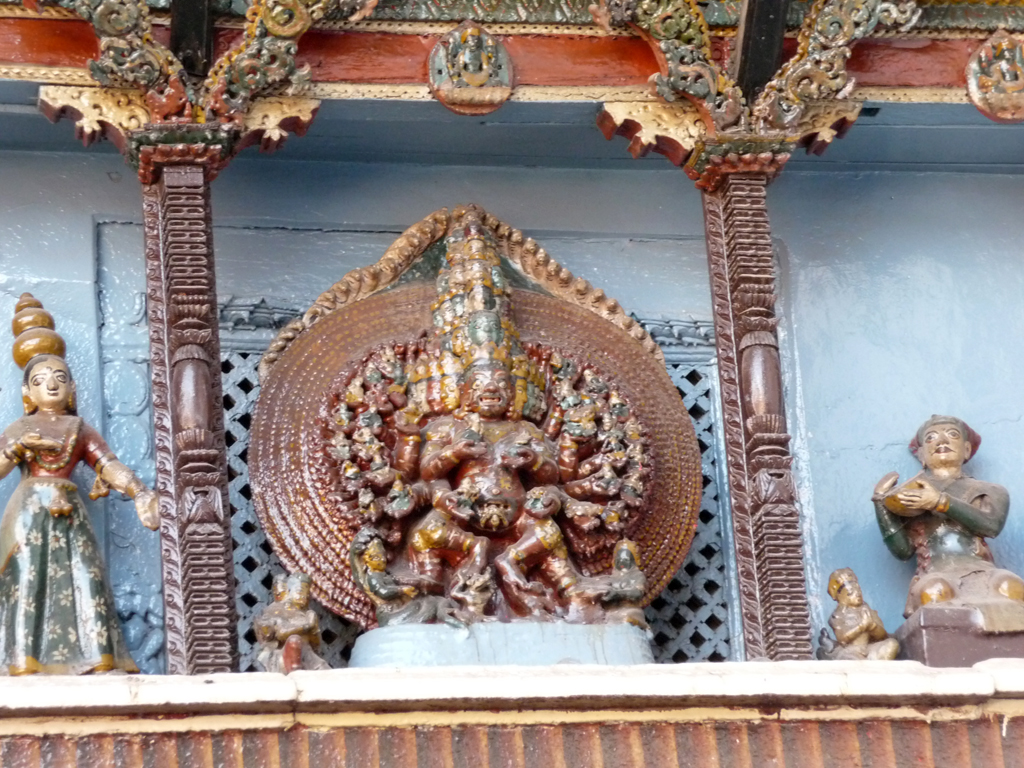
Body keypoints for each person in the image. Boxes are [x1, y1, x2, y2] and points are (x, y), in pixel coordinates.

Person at [0, 294, 158, 675]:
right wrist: (20, 446)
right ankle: (22, 661)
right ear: (27, 394)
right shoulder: (21, 428)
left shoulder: (79, 429)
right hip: (29, 508)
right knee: (28, 576)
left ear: (71, 388)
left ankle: (97, 658)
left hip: (70, 510)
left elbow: (108, 465)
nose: (50, 386)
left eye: (59, 378)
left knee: (84, 574)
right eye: (39, 381)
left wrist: (139, 491)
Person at [873, 415, 1024, 618]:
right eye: (931, 438)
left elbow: (991, 526)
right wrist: (880, 503)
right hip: (935, 572)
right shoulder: (909, 497)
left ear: (967, 449)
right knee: (935, 592)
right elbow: (903, 551)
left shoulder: (990, 490)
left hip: (980, 570)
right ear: (921, 456)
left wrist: (940, 502)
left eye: (952, 435)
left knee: (1012, 587)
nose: (941, 441)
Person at [816, 568, 898, 661]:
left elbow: (883, 636)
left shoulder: (866, 609)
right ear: (841, 597)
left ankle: (874, 664)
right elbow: (843, 638)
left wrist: (872, 626)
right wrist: (862, 626)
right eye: (851, 592)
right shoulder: (837, 615)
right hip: (851, 650)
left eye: (859, 591)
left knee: (892, 644)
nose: (857, 594)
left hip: (868, 647)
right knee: (851, 660)